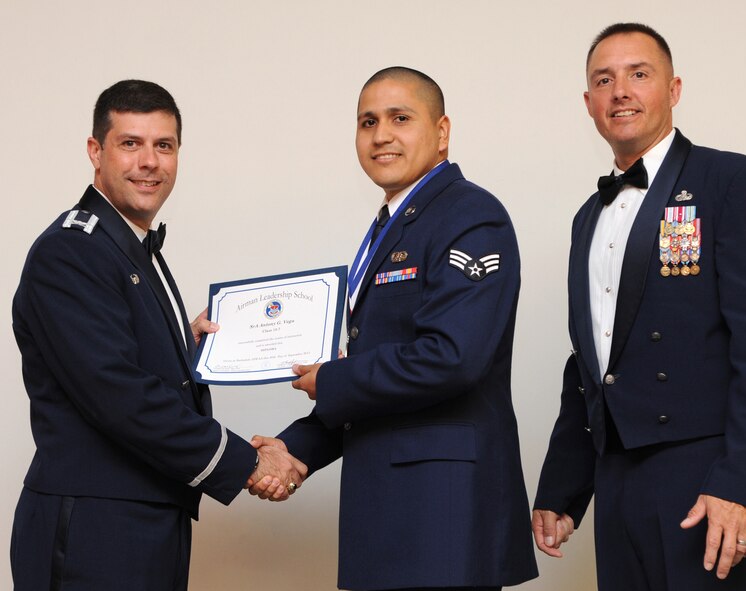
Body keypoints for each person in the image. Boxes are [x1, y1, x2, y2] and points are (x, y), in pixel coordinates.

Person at [533, 23, 746, 591]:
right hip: (617, 484)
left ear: (674, 89)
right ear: (589, 103)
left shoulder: (737, 182)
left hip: (708, 479)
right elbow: (589, 361)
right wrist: (563, 488)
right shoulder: (588, 217)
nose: (620, 91)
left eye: (639, 74)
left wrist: (742, 484)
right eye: (604, 80)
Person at [10, 79, 306, 591]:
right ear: (95, 151)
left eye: (163, 146)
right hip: (94, 529)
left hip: (143, 520)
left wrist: (181, 346)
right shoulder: (72, 250)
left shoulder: (128, 246)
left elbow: (122, 360)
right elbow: (119, 394)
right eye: (130, 143)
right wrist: (249, 461)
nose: (150, 161)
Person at [250, 67, 538, 591]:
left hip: (443, 520)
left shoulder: (471, 215)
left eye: (399, 118)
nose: (380, 134)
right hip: (393, 516)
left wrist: (333, 381)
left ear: (442, 130)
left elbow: (452, 357)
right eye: (367, 122)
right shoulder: (392, 223)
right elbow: (381, 376)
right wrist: (295, 451)